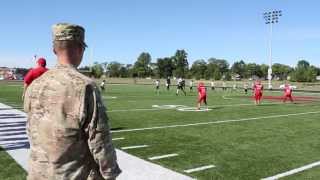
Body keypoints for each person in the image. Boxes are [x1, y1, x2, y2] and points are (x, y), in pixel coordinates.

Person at [24, 23, 121, 180]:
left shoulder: (35, 84)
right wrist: (110, 173)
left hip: (38, 174)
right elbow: (99, 139)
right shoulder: (84, 86)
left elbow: (30, 130)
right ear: (80, 48)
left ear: (54, 50)